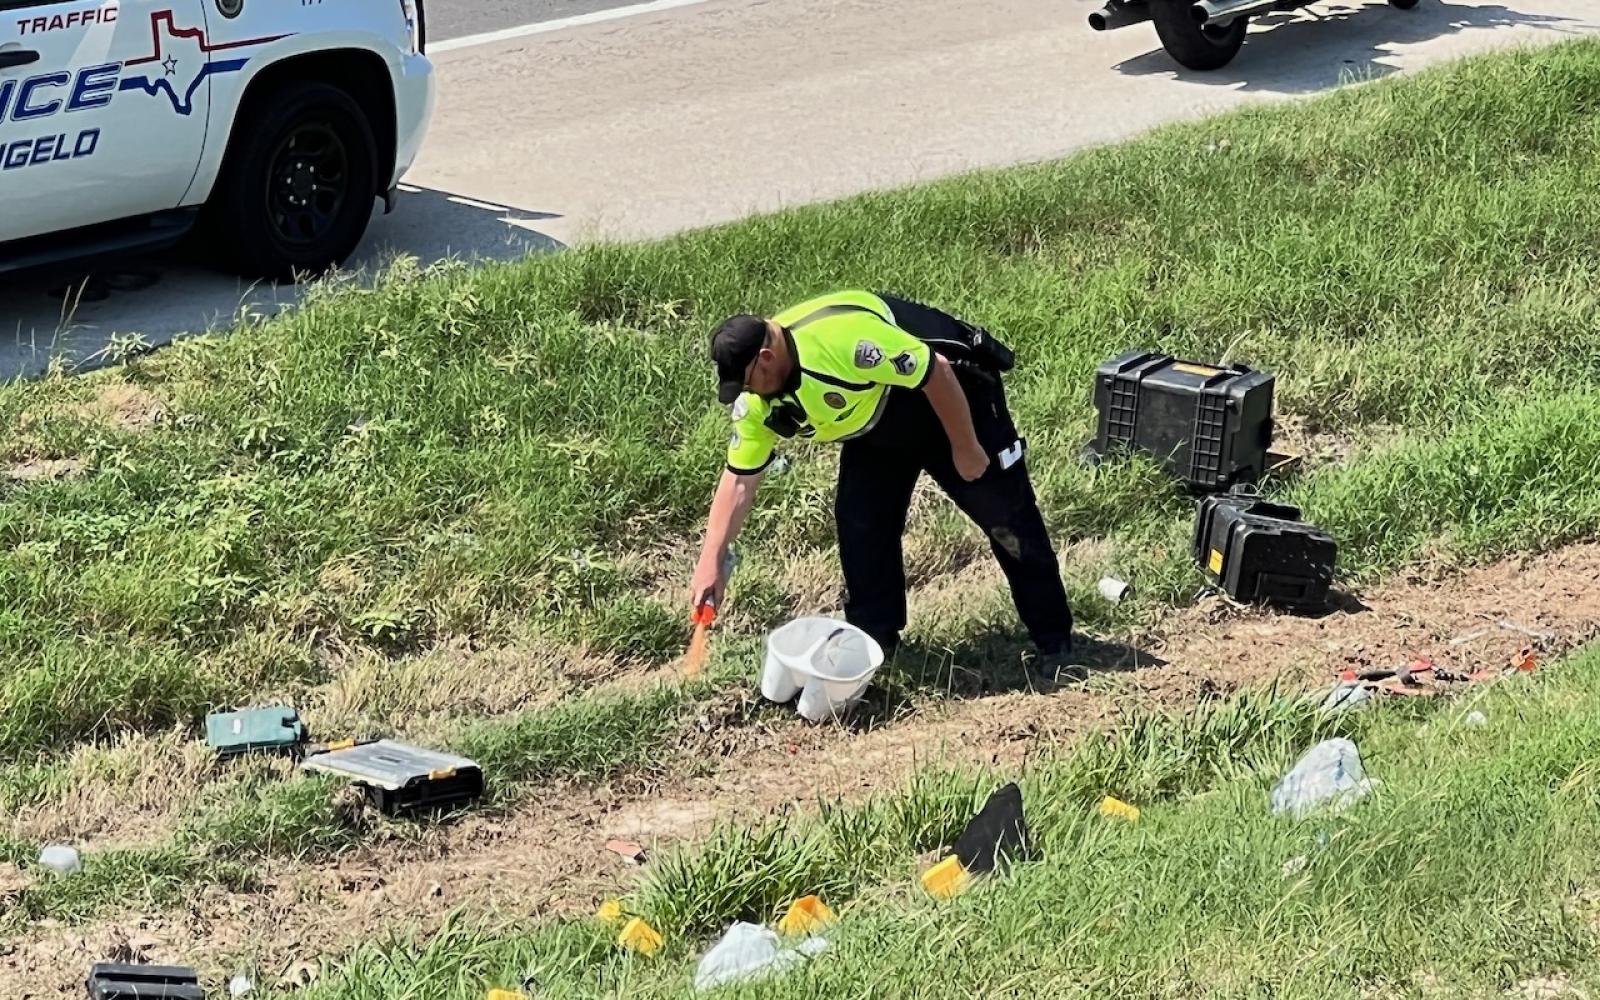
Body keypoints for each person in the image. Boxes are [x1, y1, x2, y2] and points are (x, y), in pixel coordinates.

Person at [688, 289, 1081, 683]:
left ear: (767, 359)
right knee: (861, 523)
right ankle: (876, 641)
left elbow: (936, 371)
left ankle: (1054, 641)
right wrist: (711, 558)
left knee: (1006, 518)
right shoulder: (759, 401)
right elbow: (739, 479)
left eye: (749, 383)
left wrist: (966, 446)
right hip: (877, 419)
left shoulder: (845, 341)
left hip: (951, 397)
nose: (748, 393)